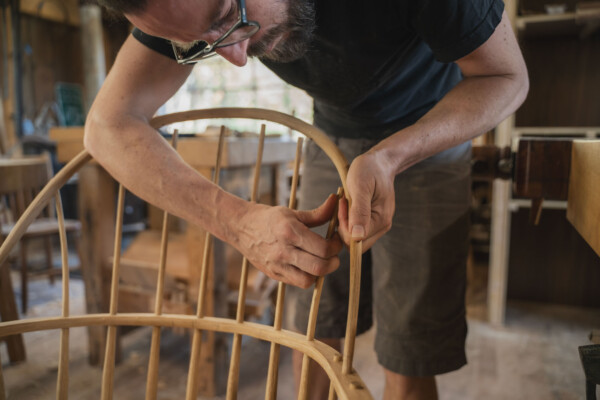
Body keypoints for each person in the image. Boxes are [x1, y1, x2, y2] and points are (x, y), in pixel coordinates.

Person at [85, 0, 528, 398]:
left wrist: (392, 156)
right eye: (201, 46)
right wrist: (237, 222)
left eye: (227, 19)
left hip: (432, 127)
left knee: (408, 349)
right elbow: (106, 127)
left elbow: (506, 77)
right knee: (314, 327)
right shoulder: (181, 9)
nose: (236, 59)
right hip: (332, 130)